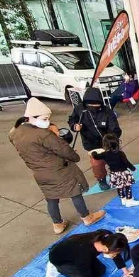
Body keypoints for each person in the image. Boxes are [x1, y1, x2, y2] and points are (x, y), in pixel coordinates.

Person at [10, 98, 105, 234]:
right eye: (45, 119)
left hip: (39, 172)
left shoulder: (14, 132)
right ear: (32, 117)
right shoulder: (44, 135)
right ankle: (87, 217)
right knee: (75, 192)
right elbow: (66, 151)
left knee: (51, 197)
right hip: (59, 170)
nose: (47, 121)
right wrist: (72, 154)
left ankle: (57, 224)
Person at [69, 86, 121, 191]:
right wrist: (75, 126)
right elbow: (72, 120)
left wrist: (111, 140)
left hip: (109, 143)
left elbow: (115, 128)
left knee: (117, 161)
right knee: (97, 164)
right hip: (91, 144)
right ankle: (101, 180)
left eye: (96, 104)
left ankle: (117, 176)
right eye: (90, 105)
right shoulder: (79, 109)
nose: (93, 106)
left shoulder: (107, 112)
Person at [46, 229, 130, 277]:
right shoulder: (83, 255)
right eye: (115, 253)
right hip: (59, 258)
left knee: (100, 271)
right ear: (105, 249)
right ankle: (54, 267)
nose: (116, 255)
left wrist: (125, 271)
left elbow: (115, 252)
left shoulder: (107, 236)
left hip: (72, 250)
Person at [92, 133, 139, 207]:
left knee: (119, 186)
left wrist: (94, 153)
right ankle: (129, 200)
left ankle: (123, 199)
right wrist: (133, 168)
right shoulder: (120, 153)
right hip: (123, 173)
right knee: (127, 186)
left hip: (114, 174)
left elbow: (96, 157)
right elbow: (126, 162)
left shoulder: (104, 154)